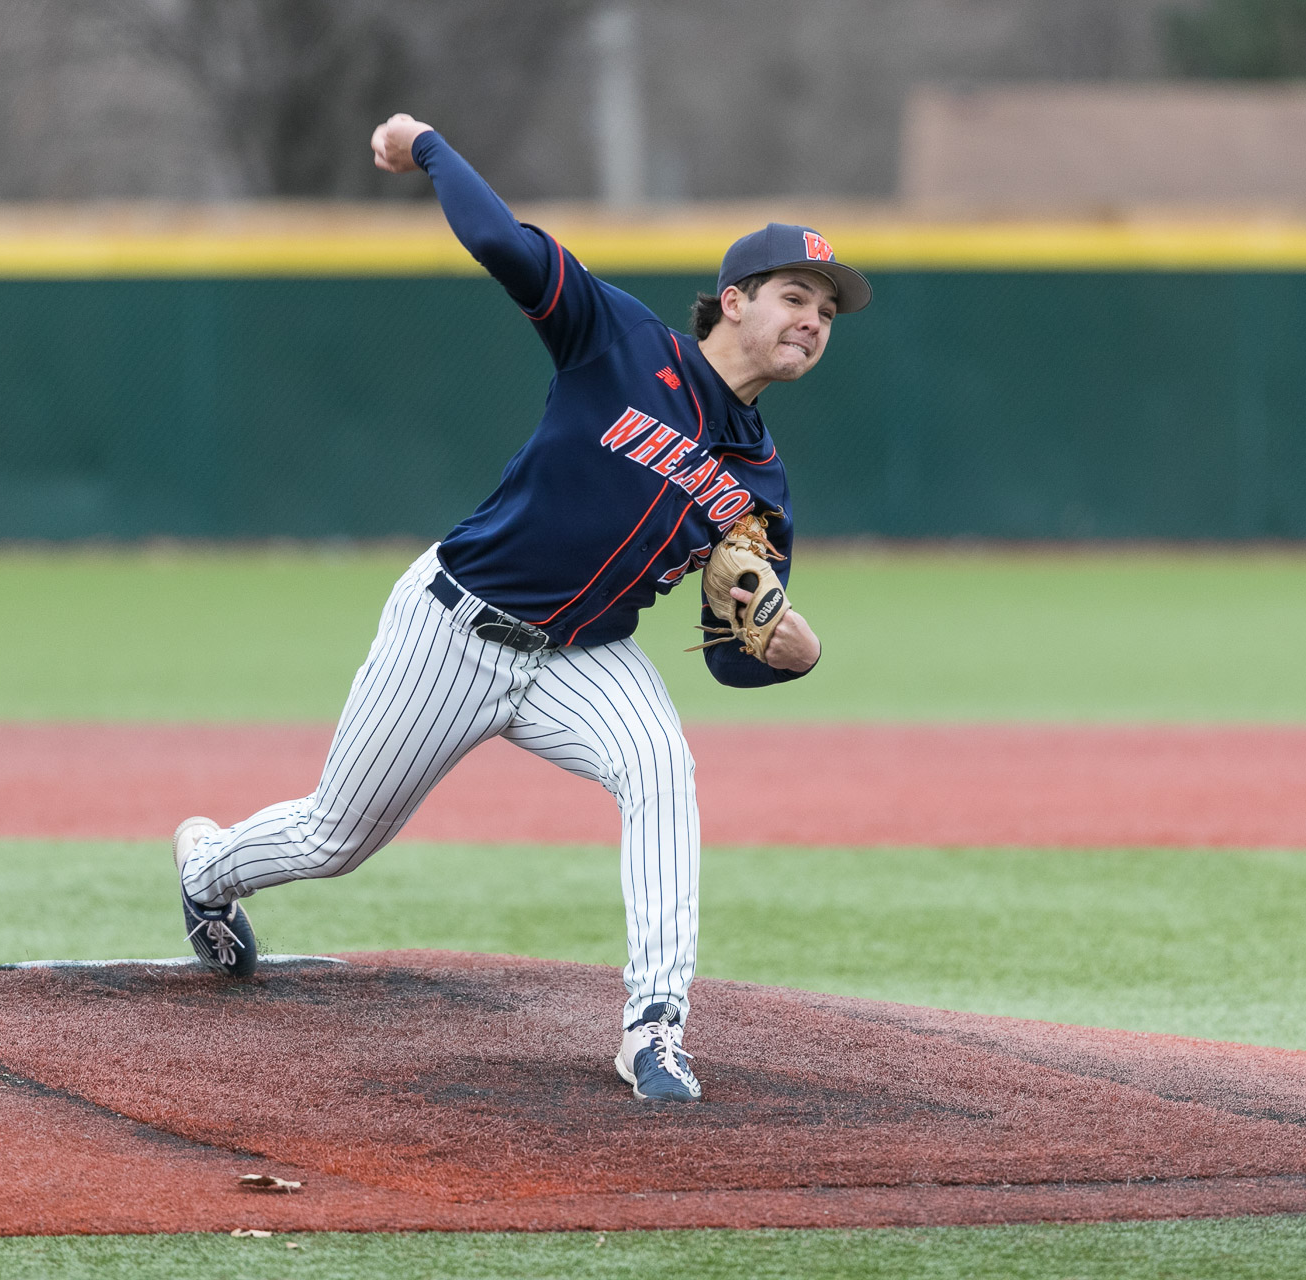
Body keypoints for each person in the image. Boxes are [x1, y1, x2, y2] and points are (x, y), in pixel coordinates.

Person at [173, 113, 870, 1103]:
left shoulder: (761, 482)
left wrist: (785, 651)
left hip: (586, 655)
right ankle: (209, 866)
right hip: (457, 621)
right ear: (731, 300)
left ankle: (655, 1028)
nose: (814, 319)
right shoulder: (621, 341)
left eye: (829, 312)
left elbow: (728, 650)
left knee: (663, 768)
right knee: (338, 836)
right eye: (796, 295)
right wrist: (427, 146)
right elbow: (504, 243)